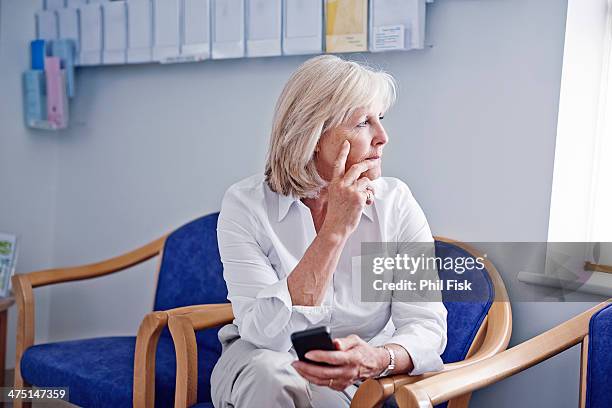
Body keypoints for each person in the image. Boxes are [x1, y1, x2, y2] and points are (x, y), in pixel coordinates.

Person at [211, 55, 447, 407]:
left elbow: (426, 325)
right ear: (314, 135)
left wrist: (378, 358)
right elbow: (265, 335)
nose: (383, 137)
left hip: (356, 379)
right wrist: (334, 231)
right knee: (271, 373)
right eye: (363, 123)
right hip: (258, 361)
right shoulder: (246, 205)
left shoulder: (395, 202)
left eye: (380, 119)